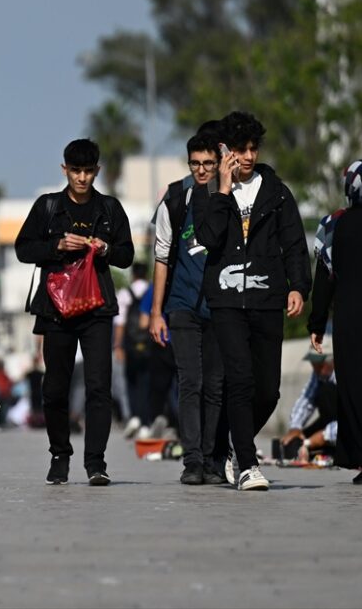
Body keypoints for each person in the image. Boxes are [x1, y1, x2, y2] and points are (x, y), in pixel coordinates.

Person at [191, 111, 310, 491]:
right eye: (239, 149)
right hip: (226, 300)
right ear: (225, 150)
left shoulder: (276, 191)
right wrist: (223, 190)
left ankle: (230, 444)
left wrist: (298, 287)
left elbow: (294, 243)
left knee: (267, 390)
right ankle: (246, 463)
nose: (247, 156)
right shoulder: (208, 191)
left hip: (267, 298)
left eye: (252, 148)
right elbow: (208, 238)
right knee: (239, 380)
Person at [14, 138, 134, 486]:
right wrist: (56, 245)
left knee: (99, 387)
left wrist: (106, 248)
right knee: (54, 387)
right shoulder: (48, 207)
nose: (82, 178)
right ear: (64, 170)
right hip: (56, 308)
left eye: (88, 171)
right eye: (75, 171)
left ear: (97, 171)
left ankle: (95, 461)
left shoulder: (109, 209)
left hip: (96, 307)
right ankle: (59, 455)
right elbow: (23, 248)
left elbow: (127, 255)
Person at [149, 132, 226, 485]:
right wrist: (155, 311)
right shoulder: (176, 200)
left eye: (208, 163)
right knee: (189, 382)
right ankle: (192, 460)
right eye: (195, 163)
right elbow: (162, 257)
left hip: (222, 305)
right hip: (182, 305)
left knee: (215, 385)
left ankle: (212, 459)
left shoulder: (231, 198)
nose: (202, 170)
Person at [309, 158, 362, 484]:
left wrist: (316, 324)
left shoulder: (333, 224)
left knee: (354, 388)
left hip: (348, 320)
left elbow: (324, 280)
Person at [280, 348, 337, 461]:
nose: (315, 369)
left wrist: (325, 436)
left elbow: (354, 418)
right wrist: (295, 428)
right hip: (330, 423)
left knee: (327, 390)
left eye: (320, 365)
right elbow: (306, 399)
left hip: (353, 425)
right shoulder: (320, 374)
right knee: (294, 444)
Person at [115, 263, 150, 431]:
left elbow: (120, 322)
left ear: (134, 274)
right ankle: (146, 419)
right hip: (150, 343)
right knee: (148, 380)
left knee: (131, 381)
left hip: (130, 344)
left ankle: (135, 416)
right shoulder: (151, 291)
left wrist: (118, 346)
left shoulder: (125, 294)